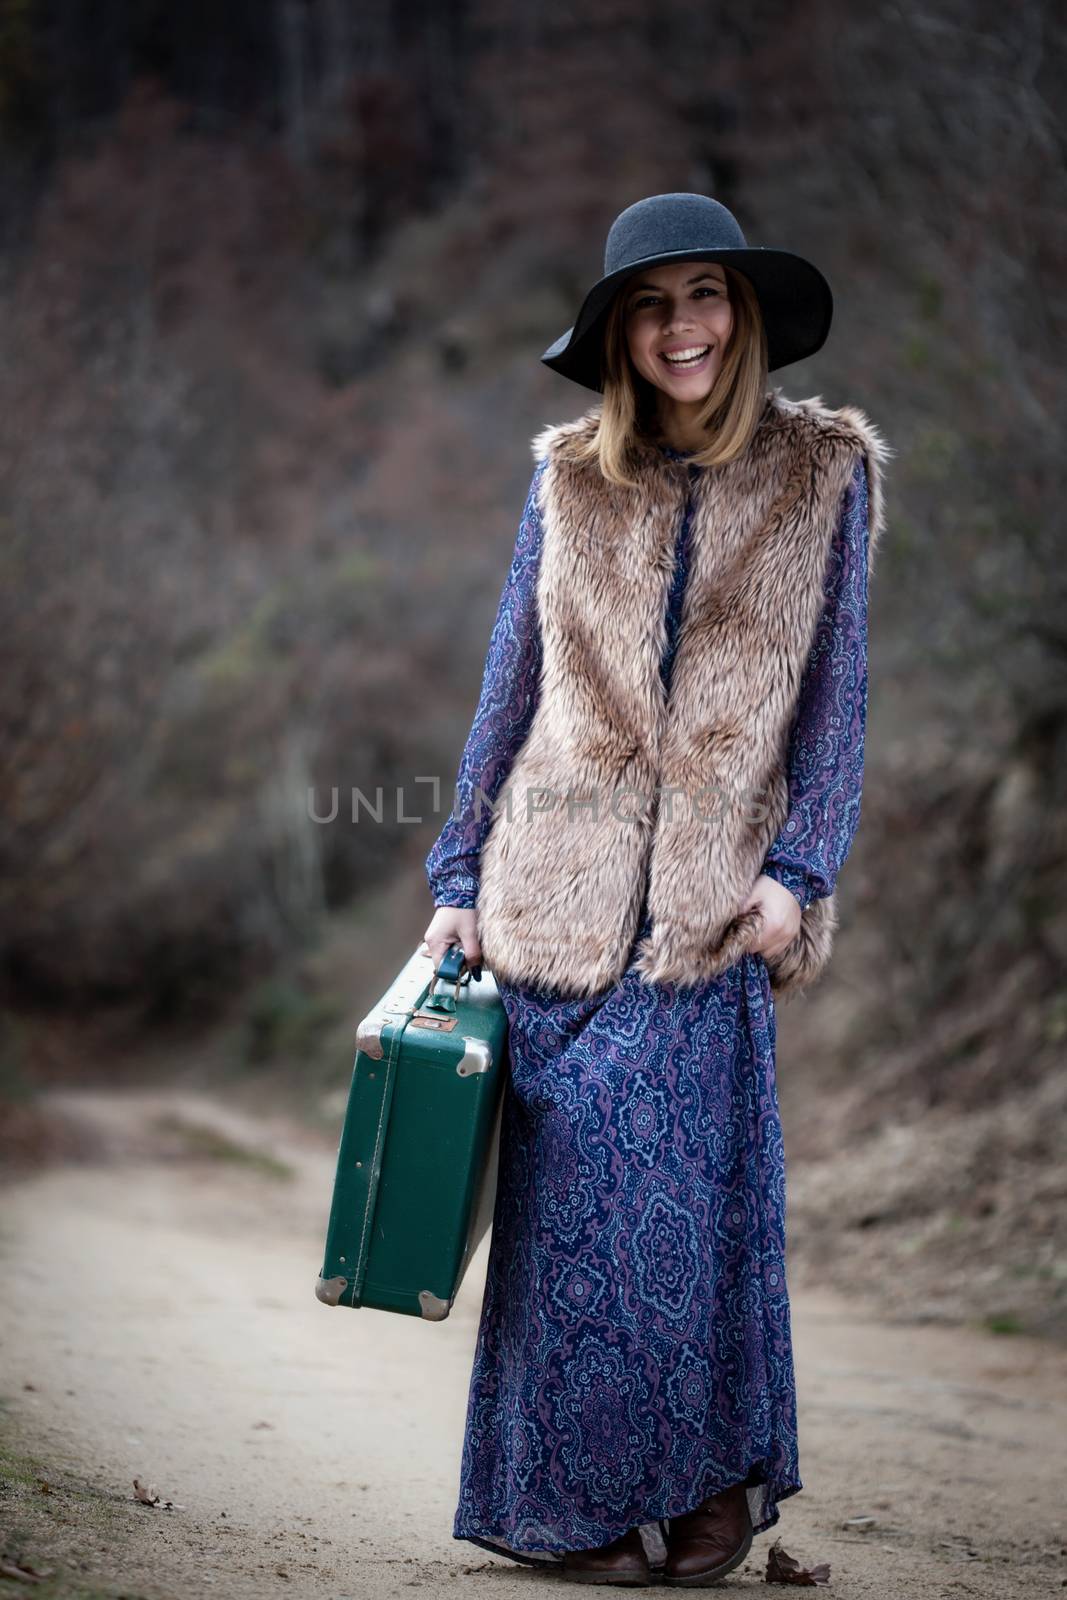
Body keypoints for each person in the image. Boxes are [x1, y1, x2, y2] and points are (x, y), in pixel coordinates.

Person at [423, 193, 890, 1586]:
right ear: (619, 333)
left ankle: (707, 1493)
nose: (682, 325)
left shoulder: (825, 473)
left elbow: (837, 705)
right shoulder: (571, 475)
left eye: (705, 295)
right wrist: (457, 873)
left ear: (739, 315)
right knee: (572, 1238)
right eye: (652, 303)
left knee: (689, 1227)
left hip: (713, 907)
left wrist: (801, 872)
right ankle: (566, 1512)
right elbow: (510, 683)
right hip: (554, 899)